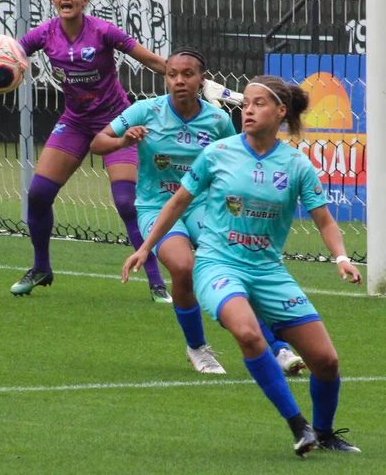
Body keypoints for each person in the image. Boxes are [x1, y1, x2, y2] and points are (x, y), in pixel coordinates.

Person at [123, 74, 362, 455]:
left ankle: (326, 432)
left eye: (258, 104)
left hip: (268, 271)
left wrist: (342, 257)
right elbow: (177, 202)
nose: (248, 110)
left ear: (281, 112)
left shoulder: (296, 165)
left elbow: (325, 221)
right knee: (249, 335)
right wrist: (146, 247)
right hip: (219, 266)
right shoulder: (218, 153)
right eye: (246, 103)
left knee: (327, 361)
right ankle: (298, 426)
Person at [92, 53, 306, 376]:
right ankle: (197, 348)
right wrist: (123, 139)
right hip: (156, 206)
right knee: (182, 266)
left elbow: (239, 159)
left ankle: (277, 348)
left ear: (201, 79)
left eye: (187, 74)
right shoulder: (145, 111)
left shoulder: (218, 121)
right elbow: (98, 142)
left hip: (203, 206)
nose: (179, 80)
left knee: (237, 266)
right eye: (172, 74)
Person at [9, 0, 170, 302]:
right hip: (76, 122)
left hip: (116, 121)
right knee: (37, 194)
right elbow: (11, 54)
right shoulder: (43, 34)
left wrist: (180, 76)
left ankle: (156, 281)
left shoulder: (103, 31)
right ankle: (41, 267)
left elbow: (152, 61)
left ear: (84, 0)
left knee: (127, 202)